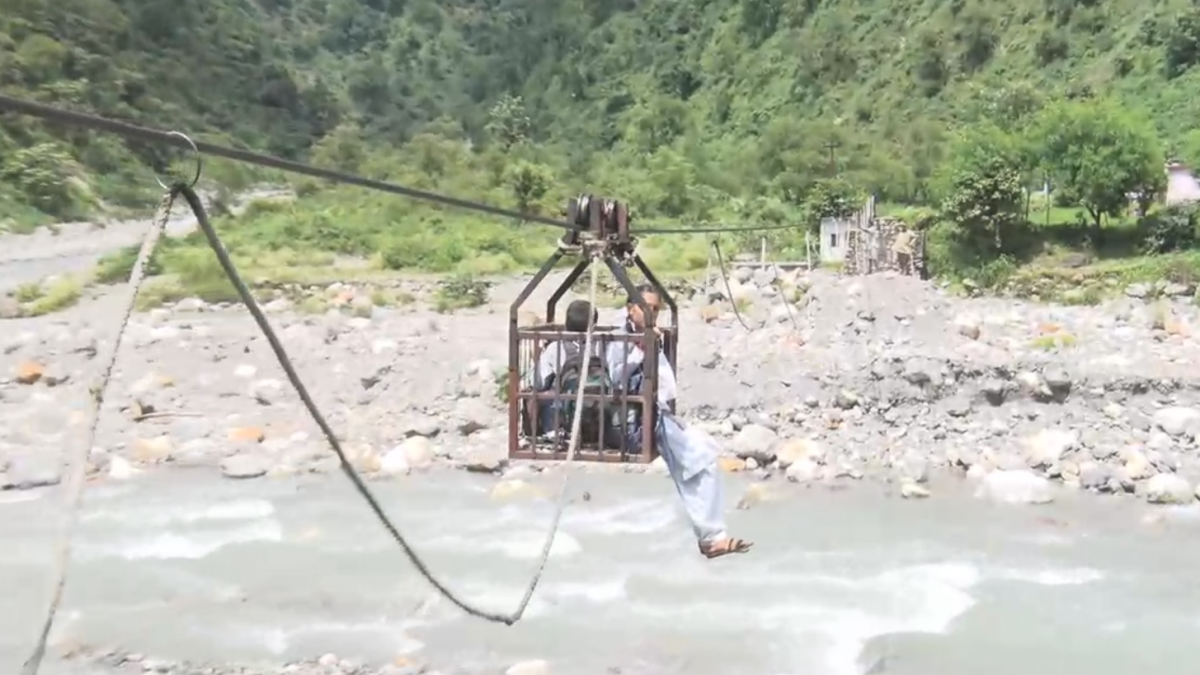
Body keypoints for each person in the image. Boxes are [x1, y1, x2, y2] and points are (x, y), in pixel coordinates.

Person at [604, 284, 753, 560]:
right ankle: (711, 538)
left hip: (659, 412)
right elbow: (617, 374)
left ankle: (711, 536)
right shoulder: (622, 336)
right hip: (642, 417)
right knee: (698, 460)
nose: (652, 314)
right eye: (646, 308)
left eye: (656, 309)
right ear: (630, 308)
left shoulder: (644, 333)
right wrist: (645, 344)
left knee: (705, 455)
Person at [523, 299, 598, 435]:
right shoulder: (601, 346)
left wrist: (537, 357)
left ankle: (544, 433)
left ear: (567, 325)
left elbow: (538, 381)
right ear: (593, 326)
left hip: (565, 419)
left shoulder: (556, 348)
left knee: (543, 393)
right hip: (598, 420)